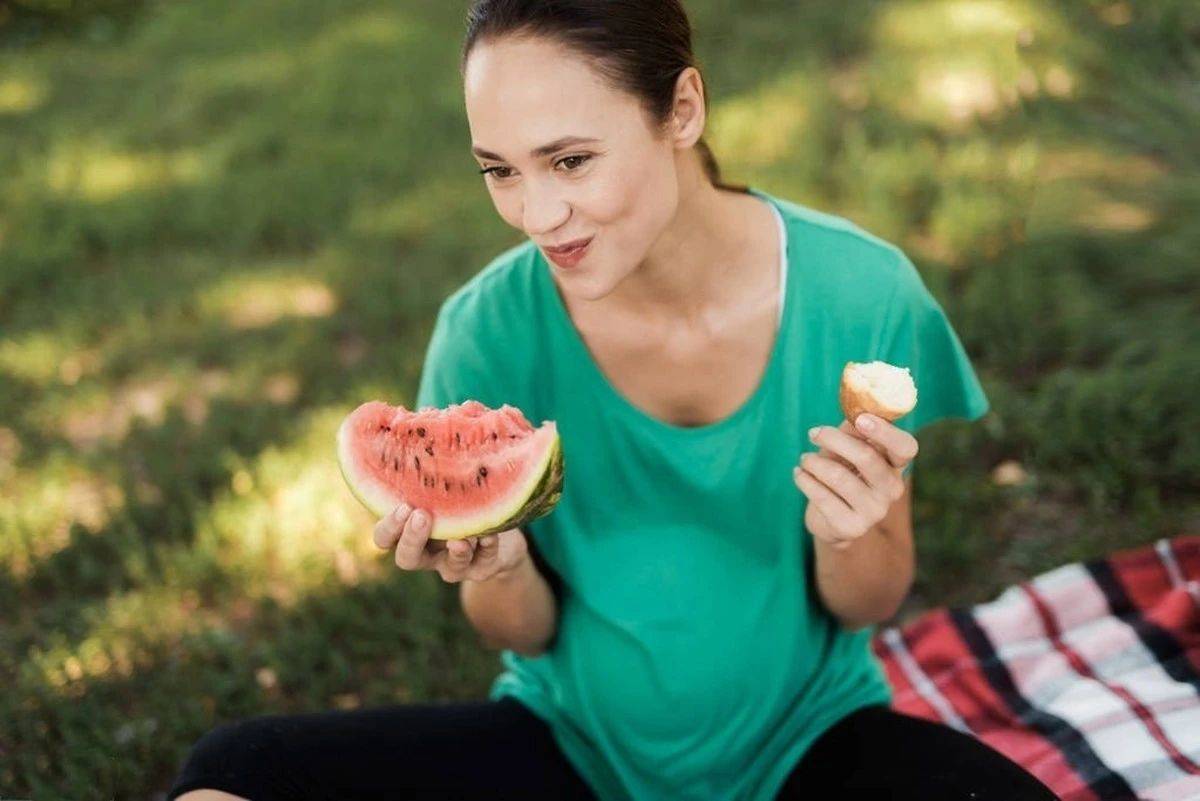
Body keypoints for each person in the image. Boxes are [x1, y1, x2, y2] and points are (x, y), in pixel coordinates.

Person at [167, 2, 1058, 799]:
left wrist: (848, 529)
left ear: (682, 109)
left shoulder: (862, 293)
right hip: (568, 747)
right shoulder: (483, 330)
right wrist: (499, 568)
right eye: (500, 170)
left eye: (570, 159)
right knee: (236, 774)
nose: (536, 214)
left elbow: (870, 601)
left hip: (808, 743)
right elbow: (517, 630)